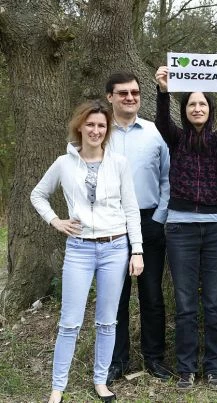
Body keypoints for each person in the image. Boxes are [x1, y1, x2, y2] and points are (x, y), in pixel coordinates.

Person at [31, 100, 144, 403]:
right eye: (90, 124)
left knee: (108, 321)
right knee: (70, 322)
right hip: (79, 250)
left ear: (107, 131)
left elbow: (131, 209)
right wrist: (56, 221)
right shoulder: (64, 163)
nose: (95, 130)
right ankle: (57, 387)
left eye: (101, 126)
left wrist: (137, 251)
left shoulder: (118, 163)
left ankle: (100, 381)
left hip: (115, 248)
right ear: (80, 126)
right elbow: (38, 194)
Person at [153, 67, 217, 389]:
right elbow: (163, 121)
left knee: (215, 302)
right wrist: (163, 91)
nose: (198, 108)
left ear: (210, 110)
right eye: (191, 104)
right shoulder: (176, 140)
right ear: (185, 111)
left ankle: (214, 366)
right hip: (181, 230)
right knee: (186, 304)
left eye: (203, 104)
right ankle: (186, 368)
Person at [105, 72, 171, 385]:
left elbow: (168, 178)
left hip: (149, 221)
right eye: (123, 93)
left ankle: (155, 358)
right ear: (110, 97)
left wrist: (159, 218)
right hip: (111, 224)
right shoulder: (100, 133)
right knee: (115, 296)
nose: (130, 98)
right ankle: (116, 361)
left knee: (152, 295)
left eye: (134, 92)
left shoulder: (155, 133)